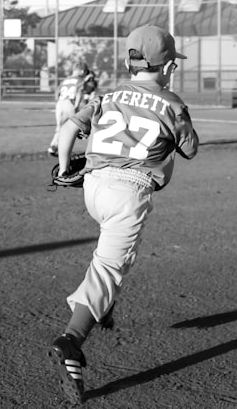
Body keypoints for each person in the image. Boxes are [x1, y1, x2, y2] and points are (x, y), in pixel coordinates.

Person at [47, 25, 199, 405]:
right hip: (128, 192)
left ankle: (105, 307)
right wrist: (173, 107)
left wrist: (66, 169)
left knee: (108, 245)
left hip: (93, 187)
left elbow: (68, 129)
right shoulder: (172, 102)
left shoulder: (105, 95)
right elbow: (191, 149)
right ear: (166, 66)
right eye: (171, 65)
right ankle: (71, 342)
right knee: (109, 266)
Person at [47, 63, 87, 156]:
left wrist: (59, 102)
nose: (85, 74)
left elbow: (57, 93)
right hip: (70, 103)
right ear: (81, 71)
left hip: (60, 103)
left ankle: (54, 147)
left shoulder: (65, 80)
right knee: (72, 127)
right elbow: (79, 93)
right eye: (85, 72)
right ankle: (65, 151)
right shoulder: (80, 80)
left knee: (60, 127)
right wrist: (76, 106)